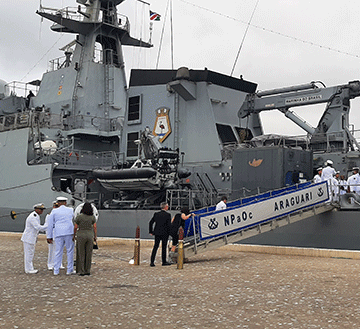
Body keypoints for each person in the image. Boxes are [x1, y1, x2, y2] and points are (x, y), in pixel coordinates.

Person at [46, 196, 75, 276]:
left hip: (58, 232)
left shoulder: (54, 211)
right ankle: (69, 270)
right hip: (69, 232)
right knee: (70, 251)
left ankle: (56, 270)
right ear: (65, 203)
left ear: (58, 203)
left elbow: (50, 225)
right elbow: (74, 220)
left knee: (58, 251)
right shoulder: (71, 210)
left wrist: (49, 236)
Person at [21, 203, 47, 274]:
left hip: (31, 238)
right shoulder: (33, 216)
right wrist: (48, 226)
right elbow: (38, 227)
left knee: (30, 253)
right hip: (29, 238)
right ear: (36, 209)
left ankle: (30, 268)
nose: (42, 211)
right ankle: (28, 269)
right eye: (41, 209)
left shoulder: (36, 216)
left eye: (42, 210)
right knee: (29, 254)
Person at [73, 202, 97, 276]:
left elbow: (76, 227)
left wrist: (74, 235)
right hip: (90, 235)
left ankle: (81, 270)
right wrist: (95, 237)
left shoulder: (79, 217)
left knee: (81, 253)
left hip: (81, 235)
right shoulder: (92, 217)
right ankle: (87, 270)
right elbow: (95, 227)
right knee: (89, 253)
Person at [149, 202, 172, 267]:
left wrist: (151, 231)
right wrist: (170, 233)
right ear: (166, 207)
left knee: (155, 247)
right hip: (165, 233)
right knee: (164, 247)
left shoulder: (156, 214)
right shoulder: (168, 215)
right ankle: (164, 261)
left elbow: (151, 223)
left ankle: (152, 262)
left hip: (157, 232)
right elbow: (169, 225)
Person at [44, 201, 64, 271]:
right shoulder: (49, 215)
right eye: (55, 206)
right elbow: (48, 226)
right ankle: (50, 264)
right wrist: (49, 236)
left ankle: (59, 263)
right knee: (51, 250)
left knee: (59, 250)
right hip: (52, 235)